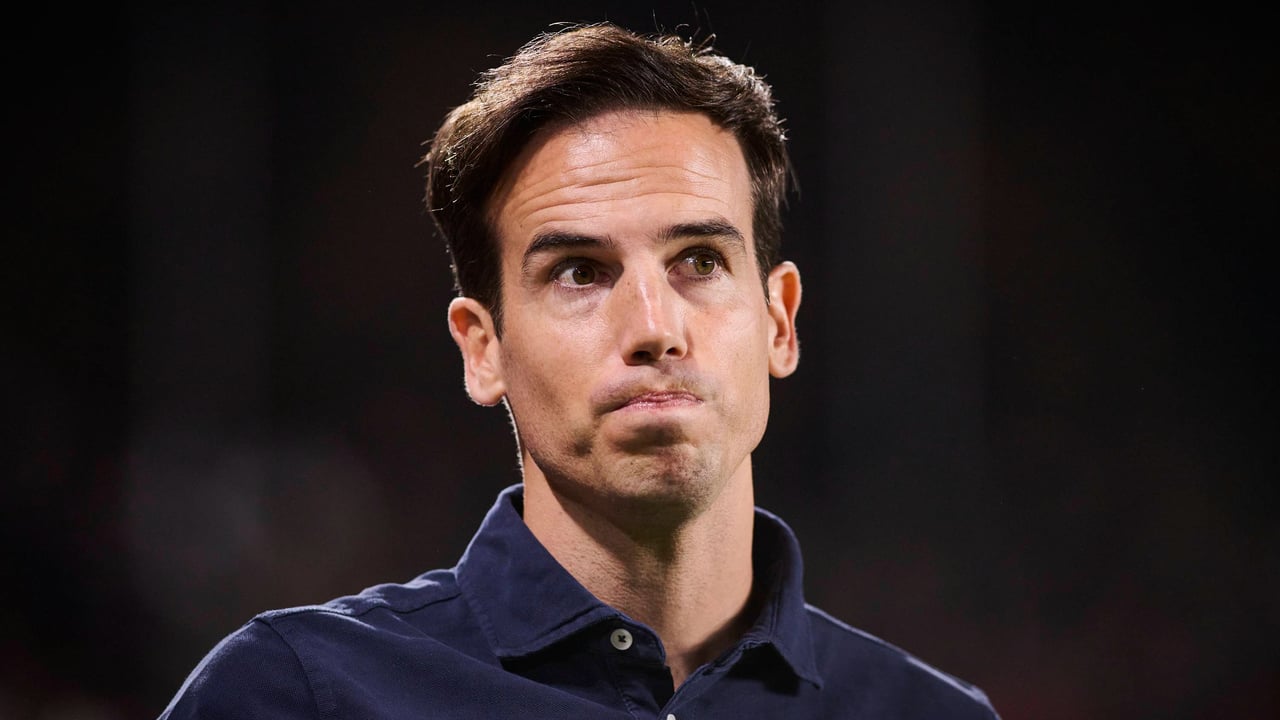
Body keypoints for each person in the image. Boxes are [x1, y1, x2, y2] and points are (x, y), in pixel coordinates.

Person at [160, 23, 999, 719]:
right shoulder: (296, 694)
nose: (654, 327)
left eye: (700, 260)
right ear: (483, 348)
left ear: (779, 321)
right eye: (579, 273)